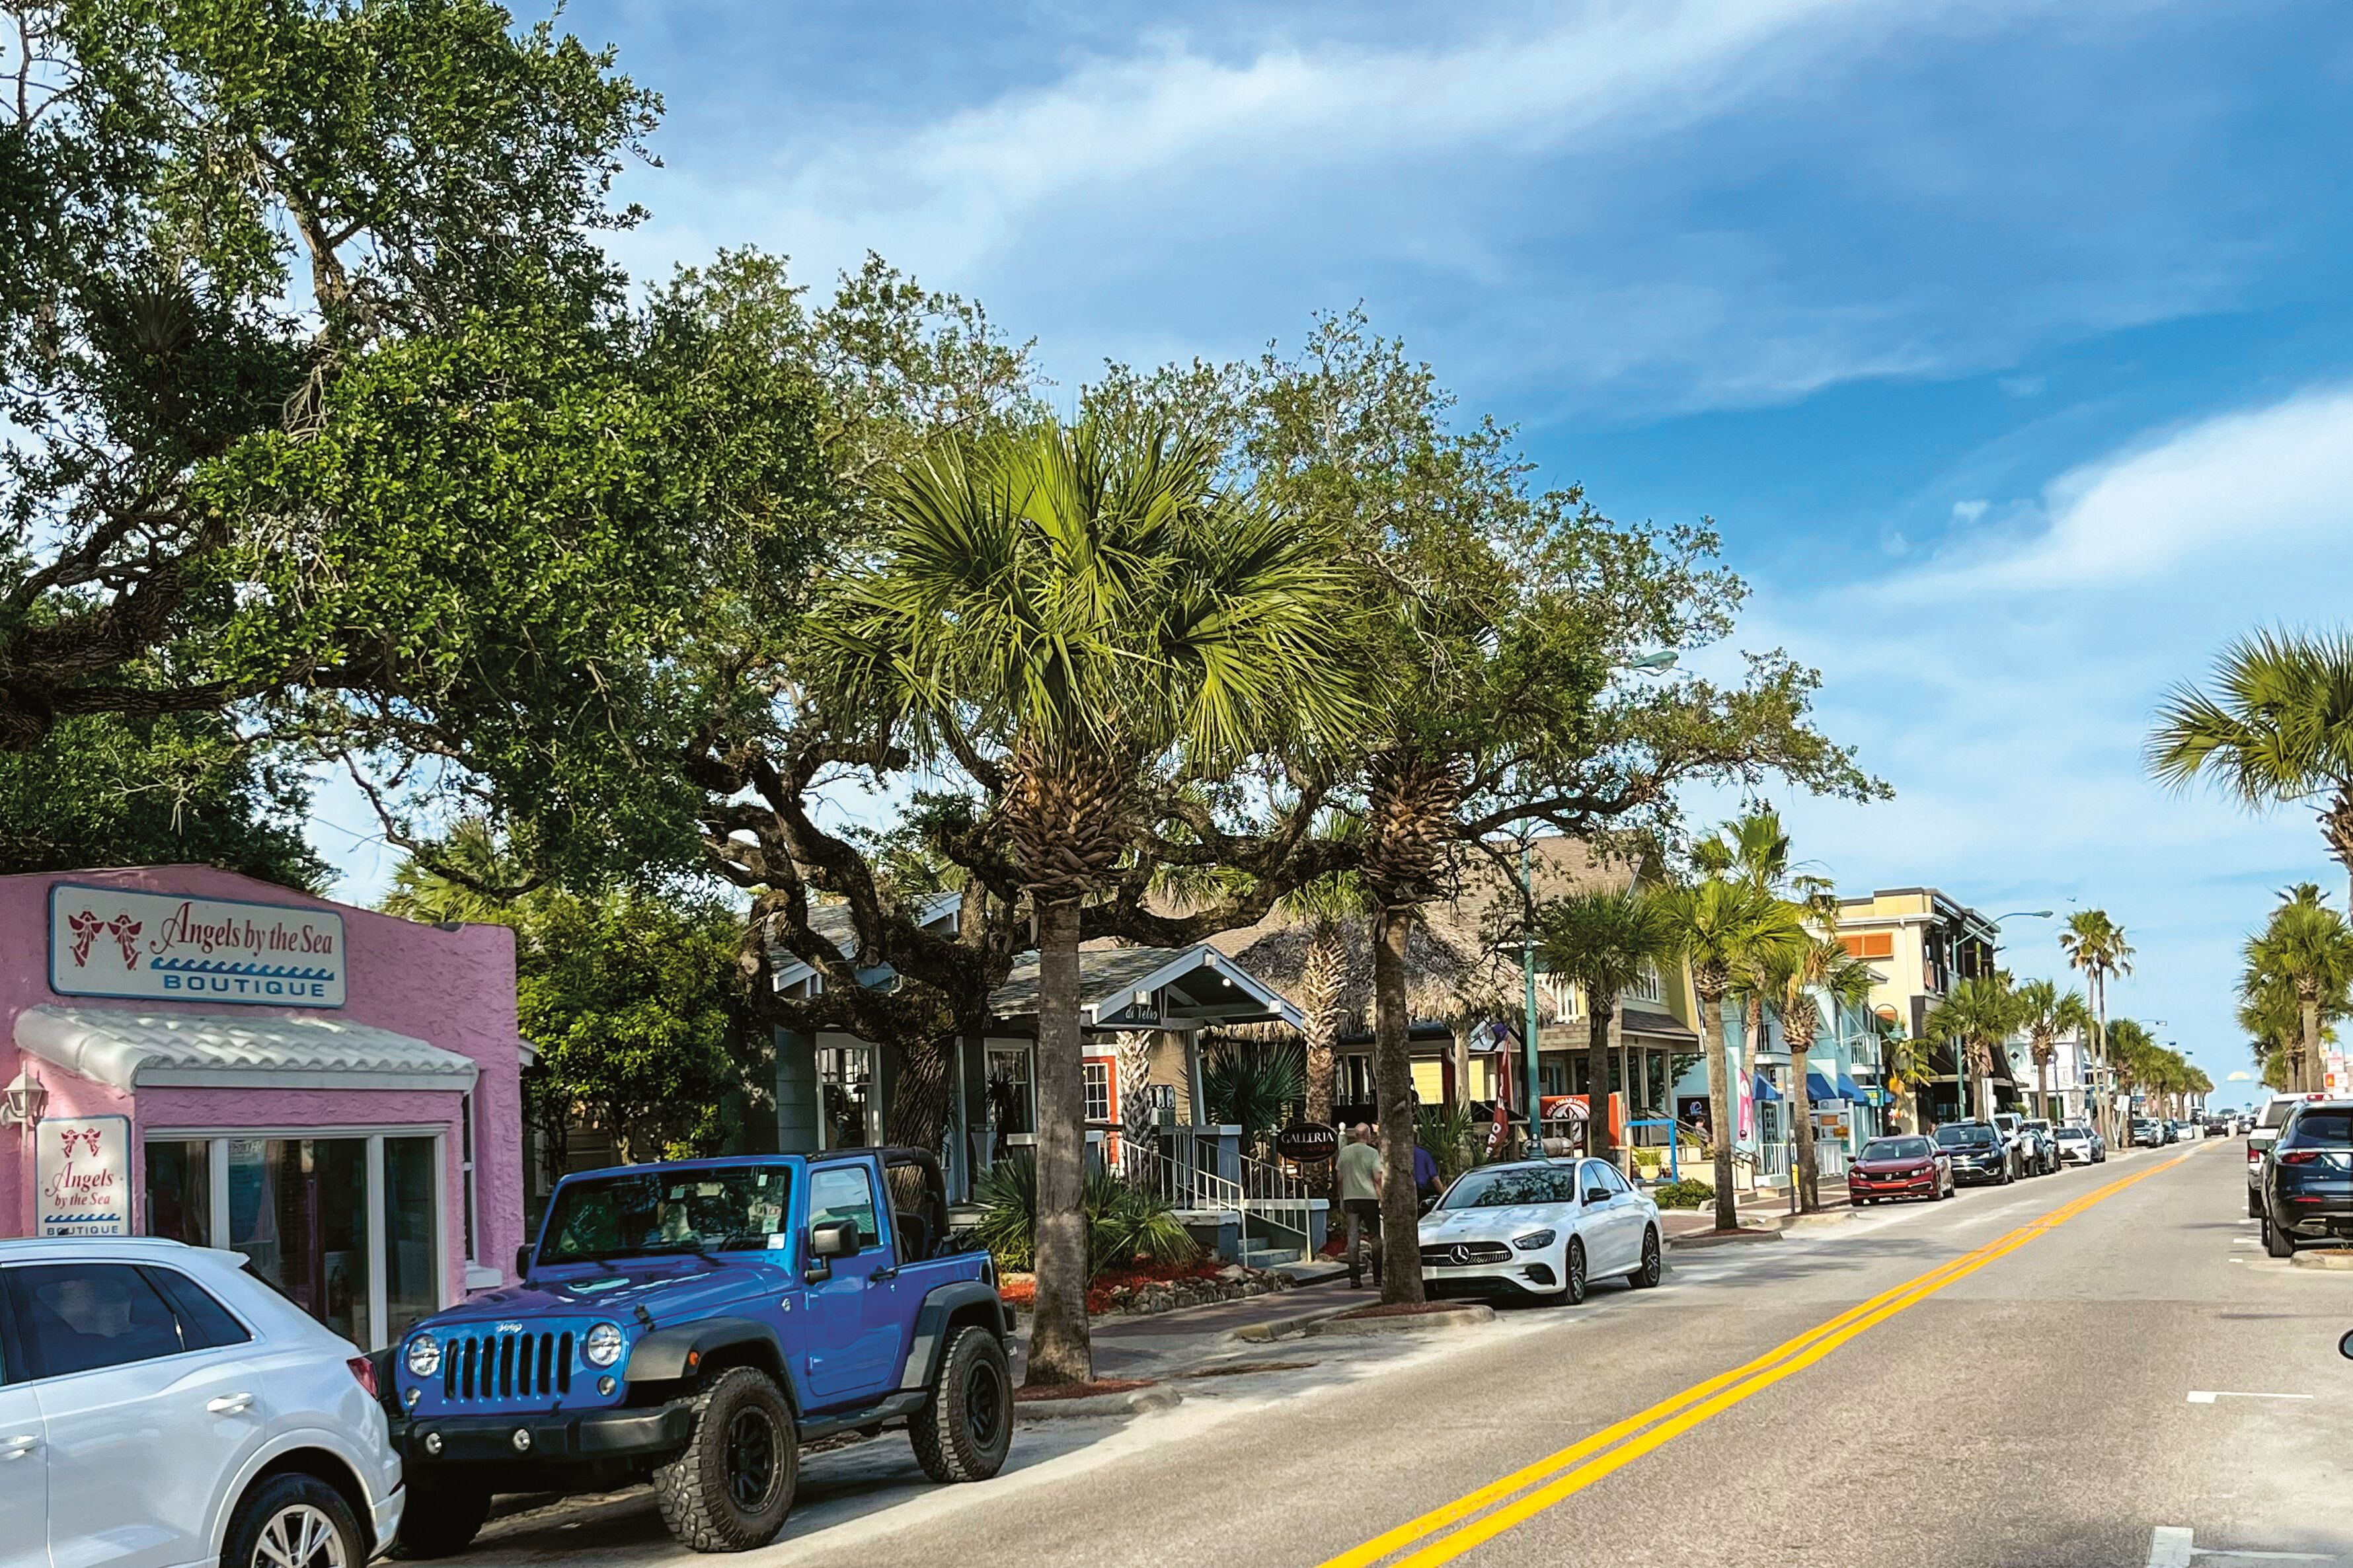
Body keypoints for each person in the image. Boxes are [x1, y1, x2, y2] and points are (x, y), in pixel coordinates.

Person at [1336, 1123, 1383, 1289]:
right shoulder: (1372, 1153)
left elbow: (1339, 1177)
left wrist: (1344, 1195)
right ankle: (1378, 1277)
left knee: (1353, 1239)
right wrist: (1381, 1197)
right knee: (1375, 1238)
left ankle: (1354, 1279)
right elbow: (1378, 1176)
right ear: (1368, 1135)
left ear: (1355, 1135)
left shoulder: (1345, 1152)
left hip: (1351, 1199)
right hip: (1369, 1198)